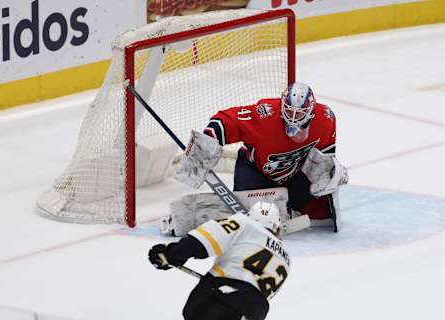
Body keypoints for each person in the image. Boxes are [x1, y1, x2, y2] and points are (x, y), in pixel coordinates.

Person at [200, 82, 347, 231]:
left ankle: (291, 206)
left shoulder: (325, 119)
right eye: (289, 112)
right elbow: (226, 121)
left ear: (310, 111)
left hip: (293, 173)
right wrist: (207, 139)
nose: (294, 118)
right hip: (255, 171)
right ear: (282, 105)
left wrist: (331, 173)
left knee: (321, 206)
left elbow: (324, 158)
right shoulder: (265, 115)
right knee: (244, 218)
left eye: (300, 113)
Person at [149, 201, 290, 320]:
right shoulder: (286, 258)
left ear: (250, 216)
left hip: (220, 298)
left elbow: (201, 242)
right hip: (255, 311)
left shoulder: (244, 223)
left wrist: (172, 254)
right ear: (276, 226)